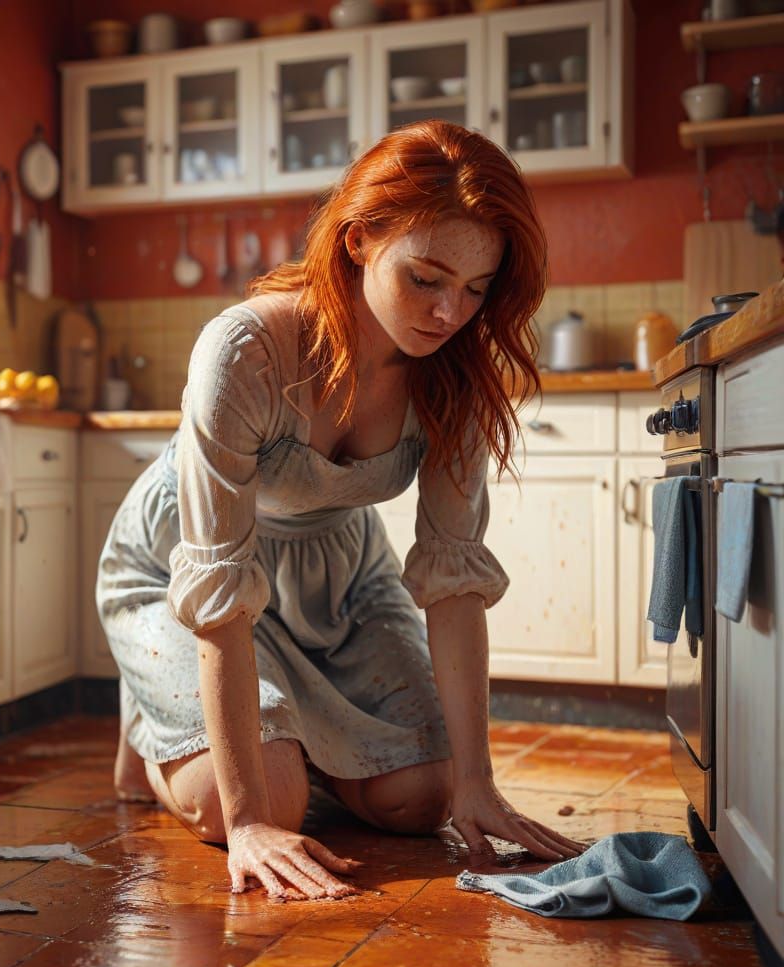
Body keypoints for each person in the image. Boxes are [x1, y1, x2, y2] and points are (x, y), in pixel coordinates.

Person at [96, 119, 586, 901]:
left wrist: (478, 784)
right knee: (250, 802)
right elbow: (220, 595)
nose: (448, 313)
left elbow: (454, 587)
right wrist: (254, 820)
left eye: (475, 289)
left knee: (426, 796)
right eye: (426, 278)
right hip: (185, 571)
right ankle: (173, 725)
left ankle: (274, 733)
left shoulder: (456, 378)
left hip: (340, 572)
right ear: (359, 241)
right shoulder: (245, 352)